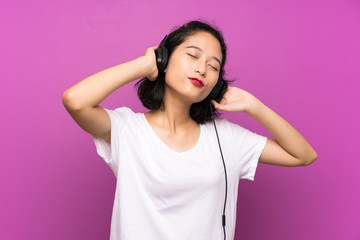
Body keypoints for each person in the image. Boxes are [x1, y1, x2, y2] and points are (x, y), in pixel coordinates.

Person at [62, 20, 317, 240]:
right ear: (164, 59)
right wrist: (144, 65)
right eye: (193, 56)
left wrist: (254, 106)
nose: (202, 69)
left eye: (214, 66)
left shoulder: (226, 137)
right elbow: (75, 100)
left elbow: (303, 155)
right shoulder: (128, 129)